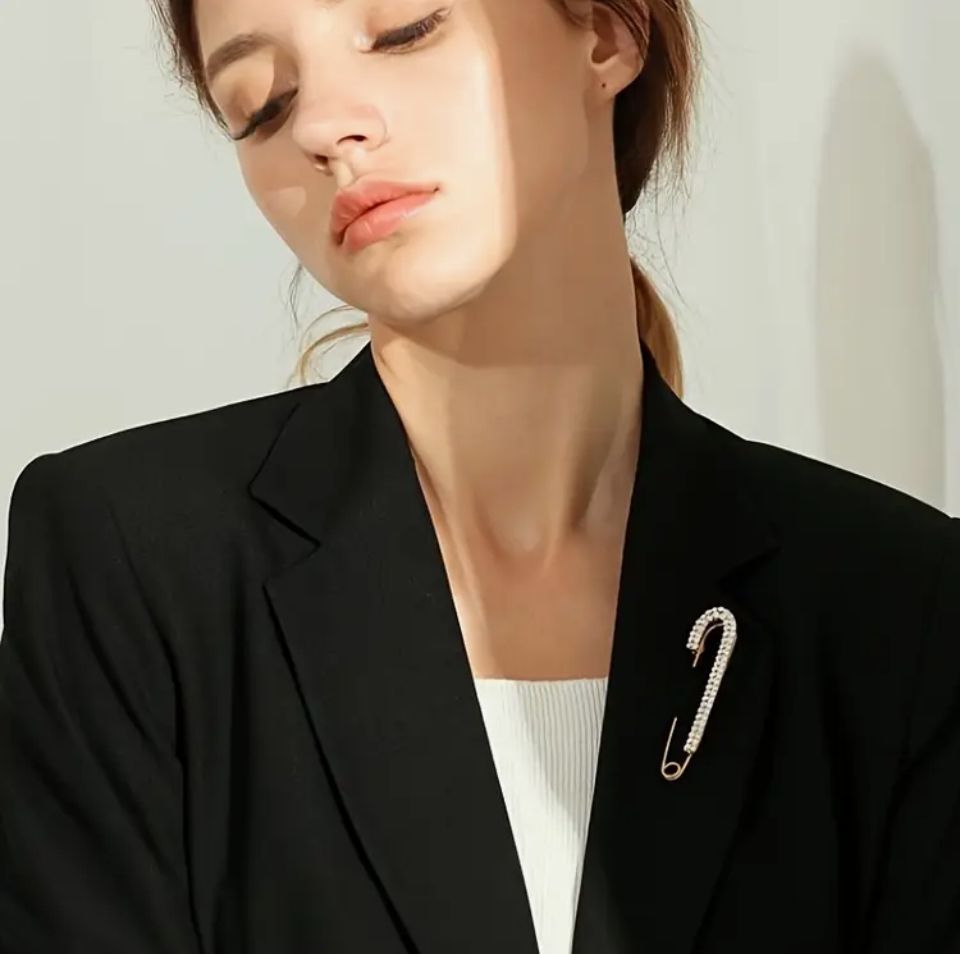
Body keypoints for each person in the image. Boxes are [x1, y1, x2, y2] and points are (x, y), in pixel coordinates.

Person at [1, 1, 957, 952]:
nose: (324, 128)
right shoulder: (137, 569)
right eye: (262, 103)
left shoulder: (895, 606)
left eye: (405, 30)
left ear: (609, 32)